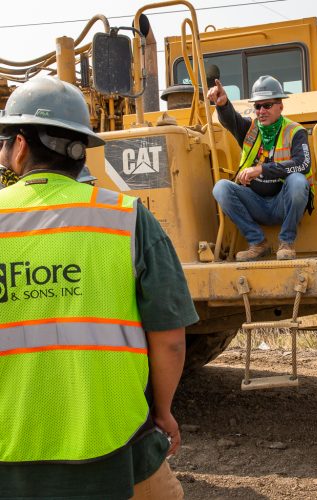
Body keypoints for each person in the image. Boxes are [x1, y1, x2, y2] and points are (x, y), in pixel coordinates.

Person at [0, 75, 199, 499]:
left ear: (20, 145)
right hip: (115, 448)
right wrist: (162, 412)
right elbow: (170, 341)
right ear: (80, 150)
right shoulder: (128, 218)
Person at [209, 75, 313, 261]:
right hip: (255, 203)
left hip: (283, 203)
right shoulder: (250, 129)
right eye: (257, 106)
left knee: (298, 180)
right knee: (221, 188)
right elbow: (231, 120)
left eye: (267, 105)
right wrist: (223, 104)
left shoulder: (295, 131)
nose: (261, 111)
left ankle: (287, 242)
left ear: (280, 106)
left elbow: (303, 164)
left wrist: (262, 169)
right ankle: (257, 242)